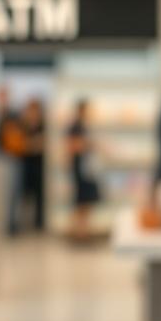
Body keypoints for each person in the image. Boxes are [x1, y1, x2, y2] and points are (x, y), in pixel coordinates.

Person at [66, 99, 101, 241]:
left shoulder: (83, 126)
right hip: (80, 169)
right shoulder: (75, 126)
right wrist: (89, 144)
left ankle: (83, 231)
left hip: (85, 168)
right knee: (81, 202)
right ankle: (78, 232)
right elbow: (73, 146)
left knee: (86, 202)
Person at [0, 86, 26, 236]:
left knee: (12, 193)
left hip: (11, 158)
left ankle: (12, 224)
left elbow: (16, 138)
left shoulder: (13, 115)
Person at [20, 98, 47, 232]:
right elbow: (23, 145)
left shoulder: (43, 125)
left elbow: (42, 143)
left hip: (39, 165)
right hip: (26, 165)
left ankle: (39, 223)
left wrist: (32, 144)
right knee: (25, 194)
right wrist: (31, 145)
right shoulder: (23, 125)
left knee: (40, 195)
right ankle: (25, 223)